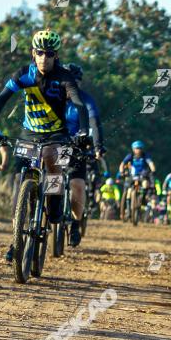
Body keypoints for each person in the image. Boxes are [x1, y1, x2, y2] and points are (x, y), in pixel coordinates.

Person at [0, 29, 91, 262]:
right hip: (29, 133)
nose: (44, 57)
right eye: (40, 52)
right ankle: (16, 238)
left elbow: (79, 104)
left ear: (56, 56)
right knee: (20, 180)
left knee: (54, 163)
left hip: (58, 135)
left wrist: (83, 131)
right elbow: (1, 99)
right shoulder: (24, 74)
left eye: (49, 53)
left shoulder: (64, 77)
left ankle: (53, 209)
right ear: (33, 53)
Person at [63, 63, 105, 246]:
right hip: (54, 144)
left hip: (79, 146)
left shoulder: (86, 100)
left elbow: (95, 123)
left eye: (75, 81)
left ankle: (74, 225)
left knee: (77, 185)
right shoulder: (53, 97)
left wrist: (97, 146)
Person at [119, 141, 156, 211]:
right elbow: (122, 164)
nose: (138, 150)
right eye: (136, 148)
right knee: (128, 191)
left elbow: (151, 163)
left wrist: (153, 171)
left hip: (142, 175)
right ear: (133, 149)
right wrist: (121, 172)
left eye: (140, 148)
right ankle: (127, 208)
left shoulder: (145, 155)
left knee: (145, 184)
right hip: (132, 175)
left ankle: (143, 199)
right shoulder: (130, 156)